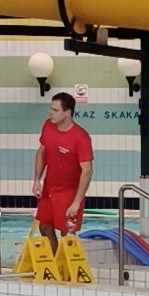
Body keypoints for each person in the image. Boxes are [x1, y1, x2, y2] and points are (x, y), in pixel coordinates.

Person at [33, 92, 93, 245]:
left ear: (67, 112)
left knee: (67, 234)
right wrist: (37, 180)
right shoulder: (48, 126)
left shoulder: (81, 137)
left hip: (69, 193)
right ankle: (54, 260)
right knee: (44, 227)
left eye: (55, 110)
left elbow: (87, 171)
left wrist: (77, 202)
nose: (50, 113)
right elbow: (42, 151)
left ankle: (67, 261)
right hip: (49, 189)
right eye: (51, 109)